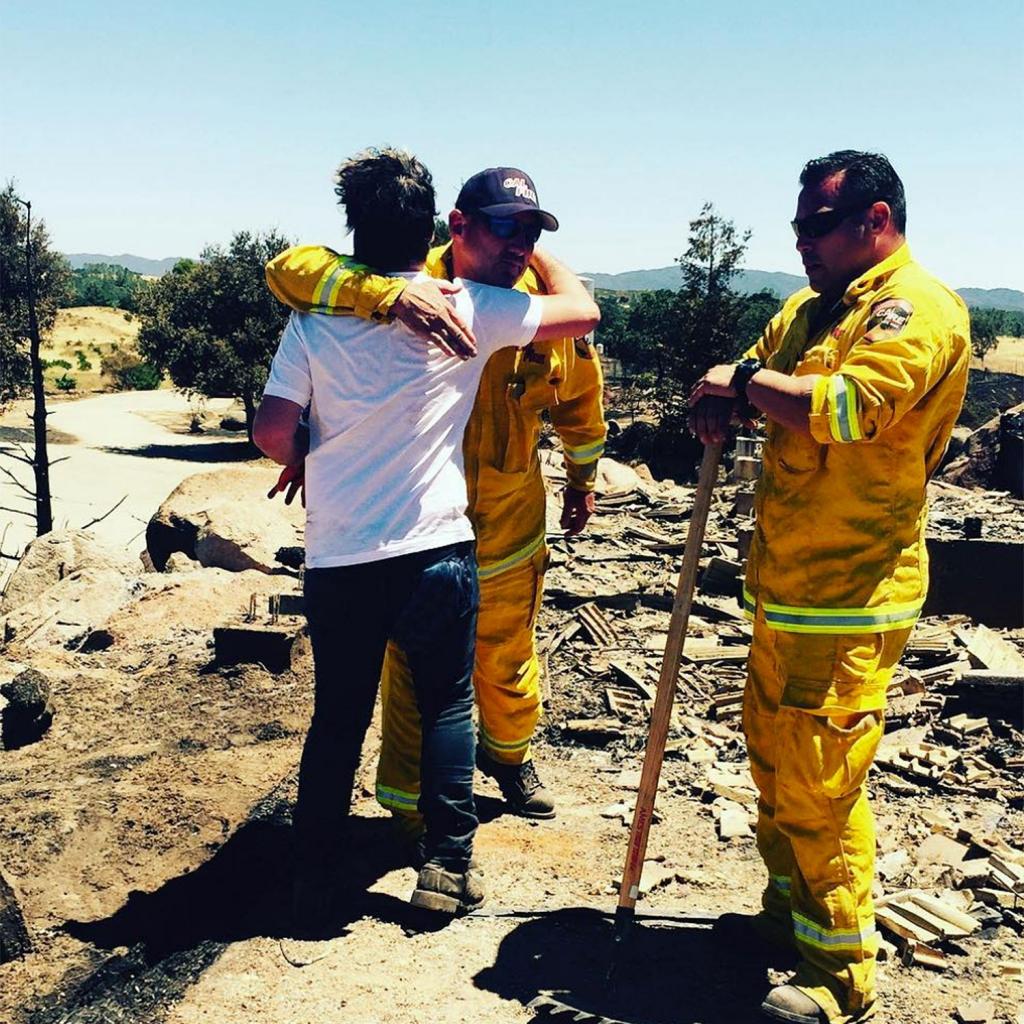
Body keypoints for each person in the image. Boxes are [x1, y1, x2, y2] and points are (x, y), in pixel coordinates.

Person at [252, 147, 599, 927]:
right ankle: (445, 868)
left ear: (354, 228)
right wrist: (538, 252)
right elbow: (584, 312)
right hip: (435, 549)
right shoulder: (473, 306)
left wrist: (311, 453)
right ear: (439, 225)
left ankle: (314, 876)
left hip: (339, 556)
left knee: (337, 716)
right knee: (447, 707)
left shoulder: (315, 319)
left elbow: (272, 430)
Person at [689, 150, 970, 1024]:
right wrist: (730, 392)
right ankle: (791, 921)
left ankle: (842, 970)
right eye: (800, 224)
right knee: (774, 768)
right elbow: (755, 370)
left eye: (817, 224)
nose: (800, 240)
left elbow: (847, 410)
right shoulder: (810, 311)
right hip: (785, 589)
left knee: (820, 781)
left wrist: (739, 387)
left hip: (852, 595)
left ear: (875, 221)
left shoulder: (914, 311)